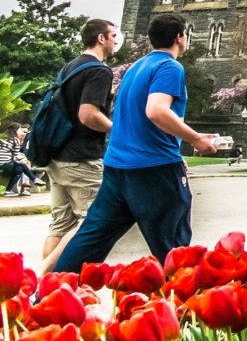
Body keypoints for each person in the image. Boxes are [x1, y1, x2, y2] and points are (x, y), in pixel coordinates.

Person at [52, 14, 219, 271]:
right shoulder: (170, 67)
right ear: (179, 37)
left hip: (118, 168)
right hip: (154, 168)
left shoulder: (135, 68)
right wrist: (196, 139)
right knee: (174, 250)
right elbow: (156, 110)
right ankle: (186, 308)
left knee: (90, 241)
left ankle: (47, 298)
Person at [41, 19, 118, 272]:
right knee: (90, 221)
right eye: (113, 36)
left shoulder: (70, 67)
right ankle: (45, 276)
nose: (116, 41)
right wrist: (117, 129)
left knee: (60, 224)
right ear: (101, 39)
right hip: (81, 159)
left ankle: (49, 287)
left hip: (57, 154)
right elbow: (88, 115)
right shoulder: (99, 70)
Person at [0, 125, 39, 196]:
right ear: (15, 130)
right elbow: (15, 157)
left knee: (19, 168)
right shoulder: (15, 139)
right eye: (20, 130)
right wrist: (22, 161)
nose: (22, 132)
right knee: (20, 167)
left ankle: (11, 191)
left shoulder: (1, 138)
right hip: (4, 164)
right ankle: (33, 179)